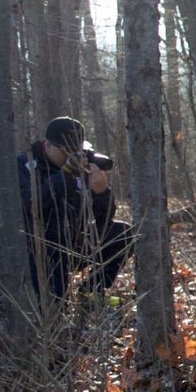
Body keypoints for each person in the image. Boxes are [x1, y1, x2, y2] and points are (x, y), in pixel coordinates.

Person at [19, 116, 133, 303]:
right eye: (66, 151)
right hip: (42, 249)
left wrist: (101, 192)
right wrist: (64, 176)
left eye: (76, 150)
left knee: (124, 234)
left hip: (75, 241)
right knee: (55, 308)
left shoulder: (83, 166)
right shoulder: (26, 165)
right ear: (47, 145)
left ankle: (90, 293)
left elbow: (103, 222)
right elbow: (28, 205)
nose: (72, 156)